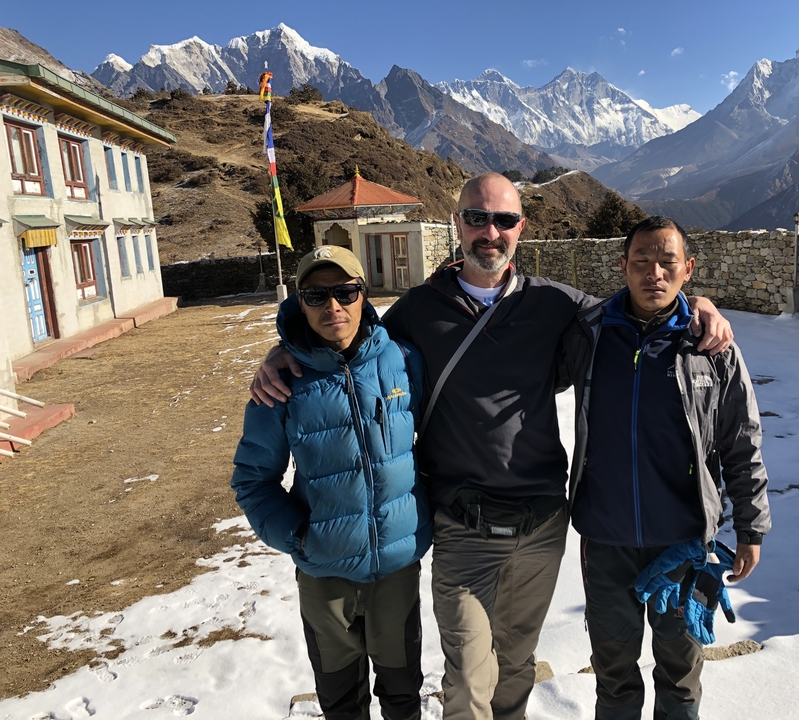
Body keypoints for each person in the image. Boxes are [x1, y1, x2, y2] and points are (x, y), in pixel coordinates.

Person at [250, 174, 734, 720]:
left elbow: (643, 307)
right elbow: (350, 341)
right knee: (466, 680)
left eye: (504, 219)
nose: (490, 231)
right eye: (477, 218)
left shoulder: (557, 304)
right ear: (457, 223)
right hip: (463, 525)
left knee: (517, 665)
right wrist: (283, 353)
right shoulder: (417, 310)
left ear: (520, 228)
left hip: (541, 525)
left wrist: (700, 305)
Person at [560, 216, 772, 720]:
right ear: (623, 266)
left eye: (667, 262)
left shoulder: (713, 350)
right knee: (614, 679)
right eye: (641, 261)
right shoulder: (589, 335)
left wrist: (751, 527)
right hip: (606, 541)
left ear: (688, 269)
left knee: (679, 680)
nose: (653, 272)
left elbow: (742, 442)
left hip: (682, 543)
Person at [231, 246, 432, 720]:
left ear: (364, 295)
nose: (333, 306)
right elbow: (253, 479)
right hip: (326, 577)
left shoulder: (403, 361)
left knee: (403, 696)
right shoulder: (282, 383)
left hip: (398, 567)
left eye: (345, 292)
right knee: (342, 702)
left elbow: (438, 435)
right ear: (299, 303)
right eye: (316, 295)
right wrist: (299, 536)